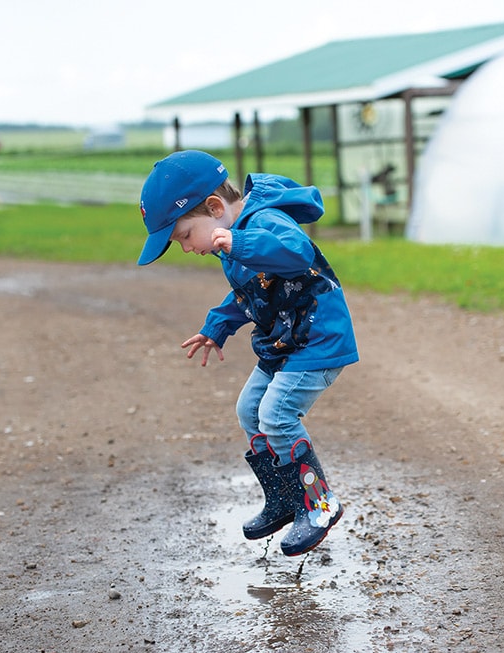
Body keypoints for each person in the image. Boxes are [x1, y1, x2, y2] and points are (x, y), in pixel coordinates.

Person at [137, 150, 359, 556]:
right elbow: (250, 293)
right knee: (248, 410)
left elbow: (297, 253)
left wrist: (241, 241)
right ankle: (284, 499)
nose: (186, 248)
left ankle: (319, 504)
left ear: (216, 208)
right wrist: (216, 326)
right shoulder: (232, 243)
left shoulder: (264, 222)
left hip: (318, 340)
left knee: (276, 414)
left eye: (185, 236)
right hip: (286, 342)